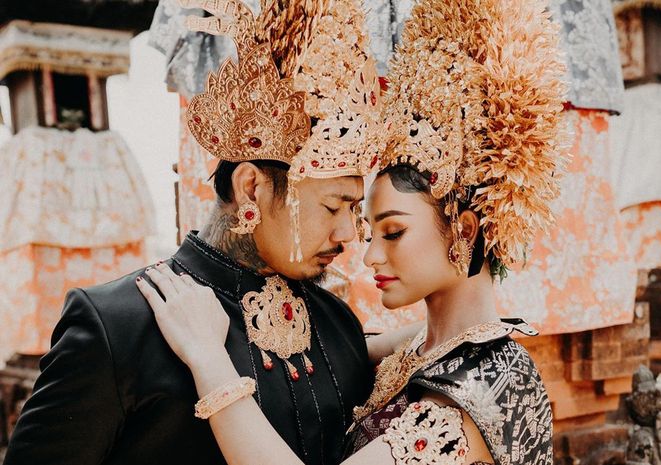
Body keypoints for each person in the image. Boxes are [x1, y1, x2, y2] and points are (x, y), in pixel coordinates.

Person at [135, 0, 570, 463]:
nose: (368, 256)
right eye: (369, 230)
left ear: (463, 230)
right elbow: (357, 348)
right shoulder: (426, 349)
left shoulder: (482, 389)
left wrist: (209, 359)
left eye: (393, 232)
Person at [4, 1, 415, 464]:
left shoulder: (336, 322)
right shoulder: (119, 323)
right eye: (332, 206)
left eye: (354, 209)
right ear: (251, 187)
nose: (348, 234)